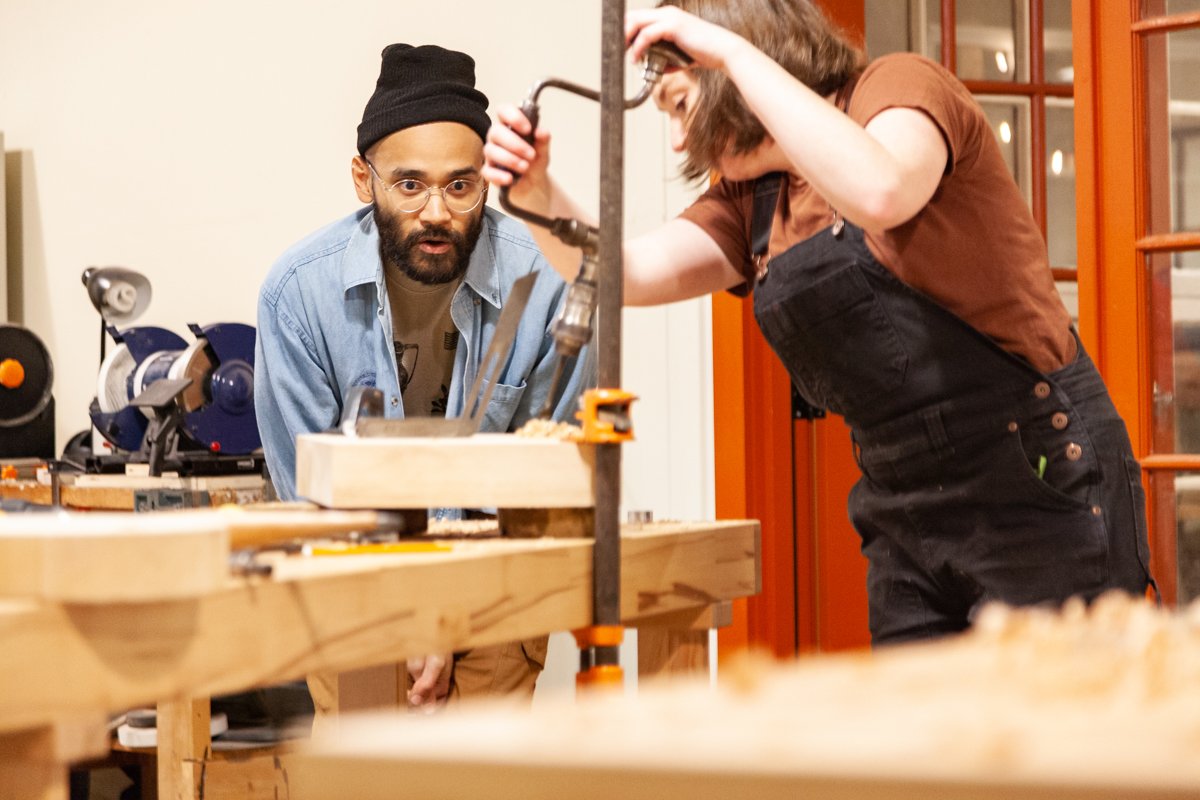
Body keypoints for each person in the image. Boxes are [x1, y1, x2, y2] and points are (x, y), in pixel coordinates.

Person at [483, 0, 1154, 645]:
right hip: (905, 510)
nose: (681, 140)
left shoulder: (896, 91)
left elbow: (881, 191)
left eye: (681, 106)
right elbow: (619, 272)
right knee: (928, 724)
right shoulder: (753, 201)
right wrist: (538, 192)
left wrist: (730, 52)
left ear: (732, 63)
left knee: (1057, 716)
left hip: (1036, 482)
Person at [256, 43, 591, 705]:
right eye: (410, 185)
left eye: (460, 186)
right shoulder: (297, 296)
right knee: (362, 755)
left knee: (485, 759)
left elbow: (543, 490)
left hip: (496, 586)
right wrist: (403, 615)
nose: (436, 212)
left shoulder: (548, 282)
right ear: (364, 179)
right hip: (351, 584)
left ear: (487, 180)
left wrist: (445, 610)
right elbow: (310, 499)